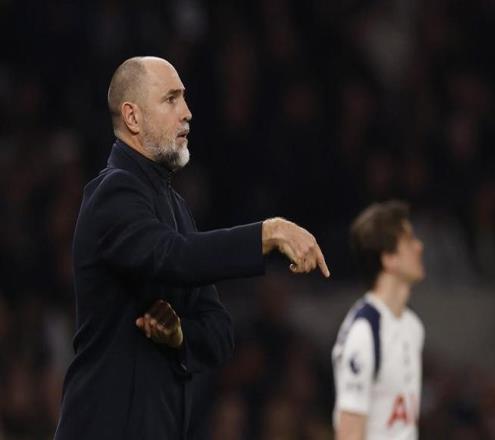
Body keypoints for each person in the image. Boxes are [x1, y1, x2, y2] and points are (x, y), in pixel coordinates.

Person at [54, 56, 330, 440]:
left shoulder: (176, 207)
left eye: (183, 98)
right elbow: (174, 256)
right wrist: (265, 234)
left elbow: (219, 331)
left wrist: (181, 335)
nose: (186, 112)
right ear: (132, 117)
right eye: (170, 99)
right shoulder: (112, 193)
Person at [331, 201, 425, 440]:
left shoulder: (413, 326)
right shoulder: (364, 332)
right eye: (409, 241)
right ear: (389, 259)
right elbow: (349, 434)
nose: (419, 246)